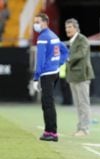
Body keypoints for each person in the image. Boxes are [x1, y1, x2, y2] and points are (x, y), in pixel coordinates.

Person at [32, 13, 68, 142]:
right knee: (49, 102)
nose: (35, 25)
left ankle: (51, 132)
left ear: (44, 23)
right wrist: (57, 63)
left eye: (37, 22)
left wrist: (36, 77)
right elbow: (65, 52)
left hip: (47, 74)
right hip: (55, 72)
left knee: (47, 103)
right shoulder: (54, 36)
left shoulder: (43, 37)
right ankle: (50, 131)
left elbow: (40, 60)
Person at [65, 18, 95, 137]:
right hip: (73, 76)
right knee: (78, 104)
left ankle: (84, 129)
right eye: (66, 27)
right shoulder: (72, 41)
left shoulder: (82, 39)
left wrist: (67, 57)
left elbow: (81, 54)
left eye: (70, 27)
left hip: (82, 75)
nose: (67, 29)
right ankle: (80, 128)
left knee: (83, 103)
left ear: (76, 28)